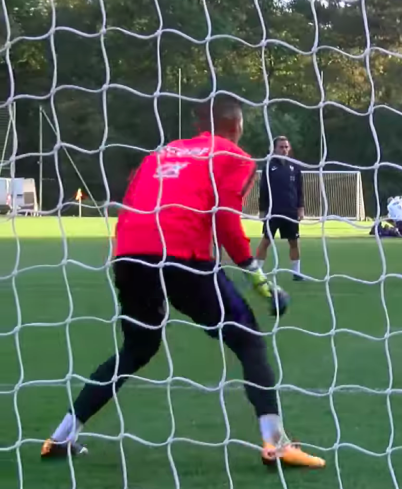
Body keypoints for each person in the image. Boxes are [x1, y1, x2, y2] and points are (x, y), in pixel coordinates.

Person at [39, 95, 324, 468]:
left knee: (137, 349)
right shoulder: (234, 156)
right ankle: (276, 443)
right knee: (249, 340)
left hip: (129, 255)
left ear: (199, 125)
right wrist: (257, 277)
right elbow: (225, 219)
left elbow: (133, 201)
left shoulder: (160, 153)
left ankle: (60, 437)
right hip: (181, 257)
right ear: (238, 126)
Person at [255, 136, 305, 280]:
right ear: (274, 149)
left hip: (290, 211)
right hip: (273, 211)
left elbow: (299, 189)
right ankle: (257, 272)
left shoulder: (294, 167)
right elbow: (263, 189)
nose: (284, 150)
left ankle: (297, 273)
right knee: (266, 241)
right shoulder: (269, 167)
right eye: (281, 147)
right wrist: (262, 209)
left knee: (294, 242)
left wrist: (300, 207)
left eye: (286, 147)